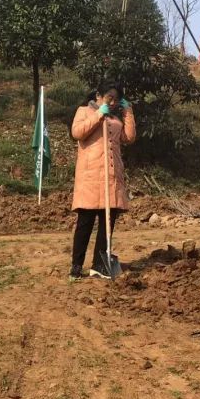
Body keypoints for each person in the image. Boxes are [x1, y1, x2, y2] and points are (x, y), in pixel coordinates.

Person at [69, 81, 136, 278]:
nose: (113, 102)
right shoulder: (84, 111)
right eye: (110, 98)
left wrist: (128, 112)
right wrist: (100, 114)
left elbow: (129, 137)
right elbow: (77, 133)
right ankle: (76, 265)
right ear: (98, 96)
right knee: (85, 222)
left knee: (107, 223)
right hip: (90, 177)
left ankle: (99, 264)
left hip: (111, 178)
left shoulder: (116, 118)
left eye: (117, 99)